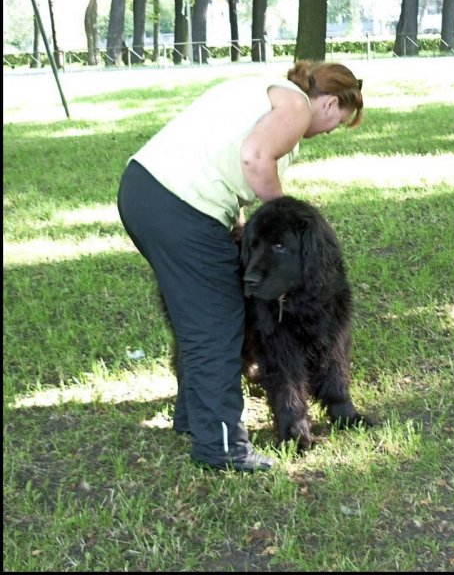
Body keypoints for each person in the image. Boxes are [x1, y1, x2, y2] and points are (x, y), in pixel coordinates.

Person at [117, 60, 364, 472]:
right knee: (217, 324)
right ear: (331, 103)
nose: (330, 130)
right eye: (339, 121)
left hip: (142, 190)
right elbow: (253, 158)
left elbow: (221, 164)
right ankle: (222, 447)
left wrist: (241, 224)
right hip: (179, 210)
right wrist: (281, 219)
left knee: (198, 320)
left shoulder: (260, 89)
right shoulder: (298, 106)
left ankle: (192, 418)